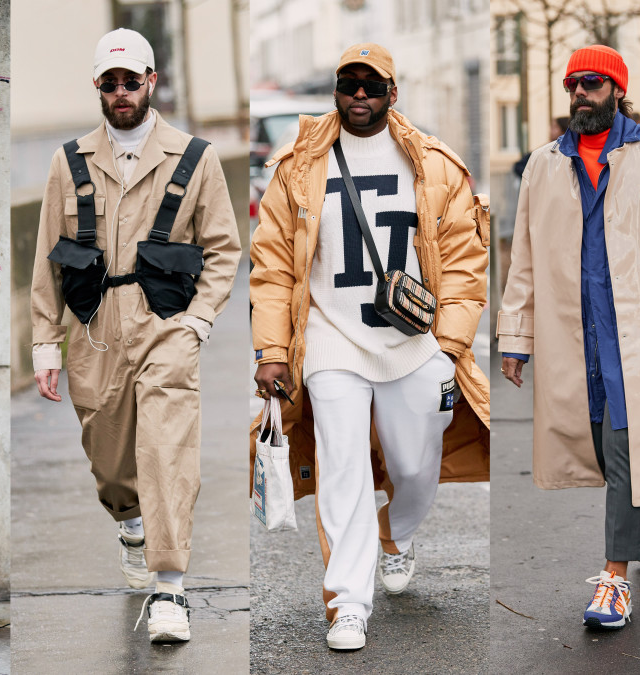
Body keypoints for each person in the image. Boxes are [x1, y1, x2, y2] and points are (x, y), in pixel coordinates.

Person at [250, 42, 490, 651]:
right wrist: (272, 352)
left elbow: (465, 263)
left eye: (371, 84)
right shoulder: (299, 165)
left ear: (392, 91)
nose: (359, 94)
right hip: (332, 343)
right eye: (348, 83)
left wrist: (450, 345)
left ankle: (396, 533)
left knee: (415, 466)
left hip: (414, 343)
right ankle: (348, 603)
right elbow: (273, 266)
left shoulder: (435, 165)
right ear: (335, 89)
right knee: (343, 471)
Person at [497, 44, 640, 631]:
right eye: (573, 83)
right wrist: (515, 335)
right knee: (603, 450)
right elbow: (522, 257)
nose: (580, 92)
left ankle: (613, 578)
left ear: (617, 90)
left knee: (625, 452)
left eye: (592, 83)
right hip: (575, 338)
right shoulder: (544, 164)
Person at [29, 28, 240, 643]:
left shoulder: (195, 158)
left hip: (165, 326)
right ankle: (128, 520)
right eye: (109, 82)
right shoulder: (68, 161)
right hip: (93, 331)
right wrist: (47, 342)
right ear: (97, 87)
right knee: (113, 463)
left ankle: (170, 588)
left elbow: (225, 248)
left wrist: (198, 321)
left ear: (153, 81)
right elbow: (47, 257)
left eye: (132, 80)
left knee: (166, 454)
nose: (121, 92)